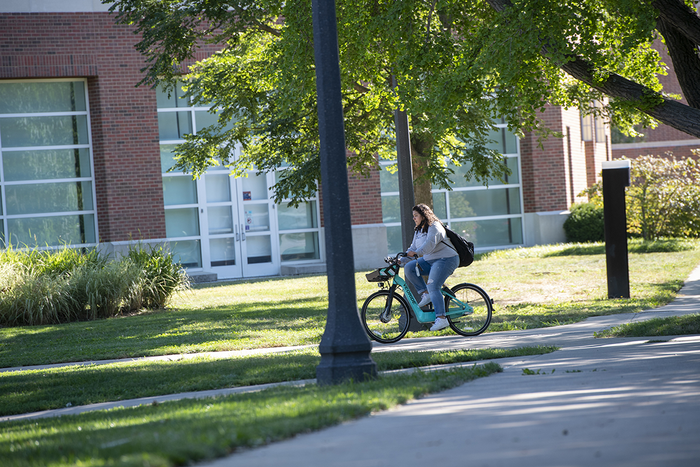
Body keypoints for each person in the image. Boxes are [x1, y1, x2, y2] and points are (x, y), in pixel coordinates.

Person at [403, 204, 459, 331]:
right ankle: (425, 293)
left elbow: (430, 245)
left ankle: (441, 318)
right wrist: (400, 260)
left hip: (446, 259)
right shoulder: (418, 230)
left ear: (424, 215)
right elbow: (412, 249)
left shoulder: (435, 226)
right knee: (409, 267)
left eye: (416, 215)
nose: (414, 218)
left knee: (433, 285)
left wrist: (417, 252)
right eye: (413, 216)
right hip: (430, 260)